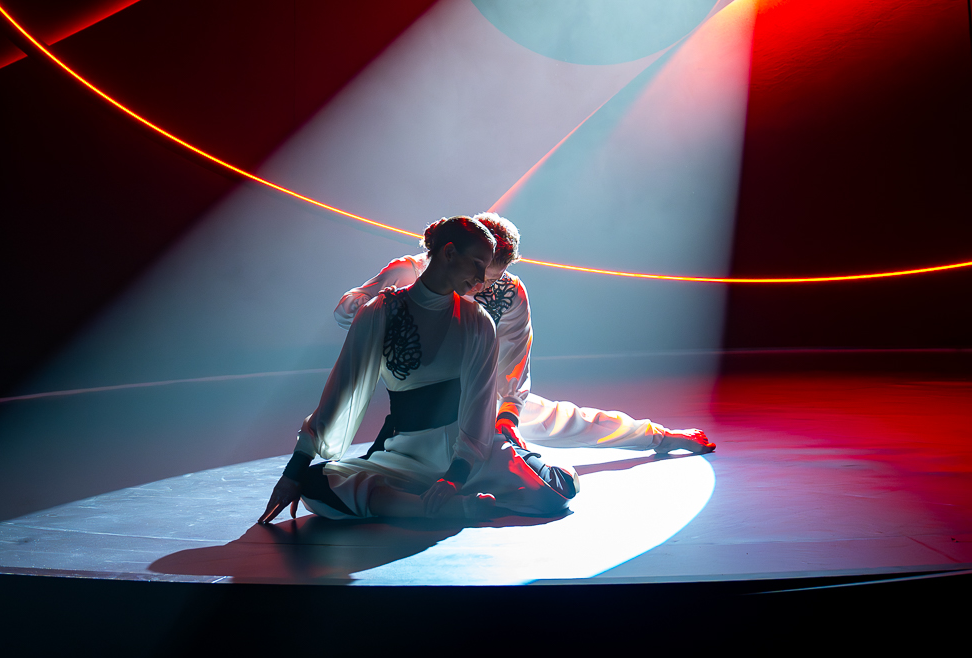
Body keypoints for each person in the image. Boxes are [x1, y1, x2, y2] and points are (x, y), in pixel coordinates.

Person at [259, 216, 574, 525]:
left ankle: (431, 499)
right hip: (406, 454)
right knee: (313, 485)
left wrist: (455, 475)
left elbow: (480, 406)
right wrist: (293, 471)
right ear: (449, 253)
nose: (481, 280)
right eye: (477, 264)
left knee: (556, 490)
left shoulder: (478, 320)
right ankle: (442, 508)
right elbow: (340, 394)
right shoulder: (379, 311)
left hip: (472, 453)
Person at [334, 212, 716, 457]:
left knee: (562, 420)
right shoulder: (413, 270)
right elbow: (354, 304)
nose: (478, 284)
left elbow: (514, 364)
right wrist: (357, 305)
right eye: (476, 270)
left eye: (491, 277)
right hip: (420, 397)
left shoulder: (510, 293)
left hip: (477, 392)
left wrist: (508, 416)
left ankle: (659, 436)